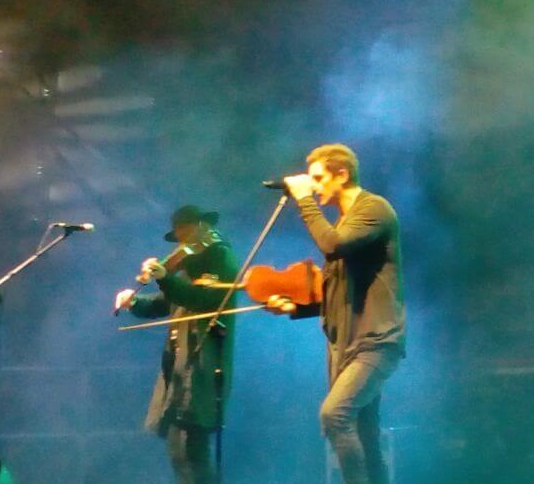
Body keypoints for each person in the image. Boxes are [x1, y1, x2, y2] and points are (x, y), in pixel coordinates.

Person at [266, 143, 406, 484]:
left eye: (318, 178)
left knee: (335, 415)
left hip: (375, 342)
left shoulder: (374, 209)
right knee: (366, 434)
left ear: (341, 174)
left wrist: (304, 200)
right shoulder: (345, 222)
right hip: (345, 344)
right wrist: (295, 307)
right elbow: (336, 292)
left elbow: (332, 245)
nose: (313, 186)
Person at [115, 205, 239, 484]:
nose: (183, 243)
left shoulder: (220, 256)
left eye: (186, 231)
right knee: (179, 448)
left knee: (190, 448)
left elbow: (202, 299)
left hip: (203, 362)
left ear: (201, 226)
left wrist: (165, 278)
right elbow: (166, 302)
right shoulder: (187, 268)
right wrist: (134, 302)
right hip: (180, 364)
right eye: (179, 235)